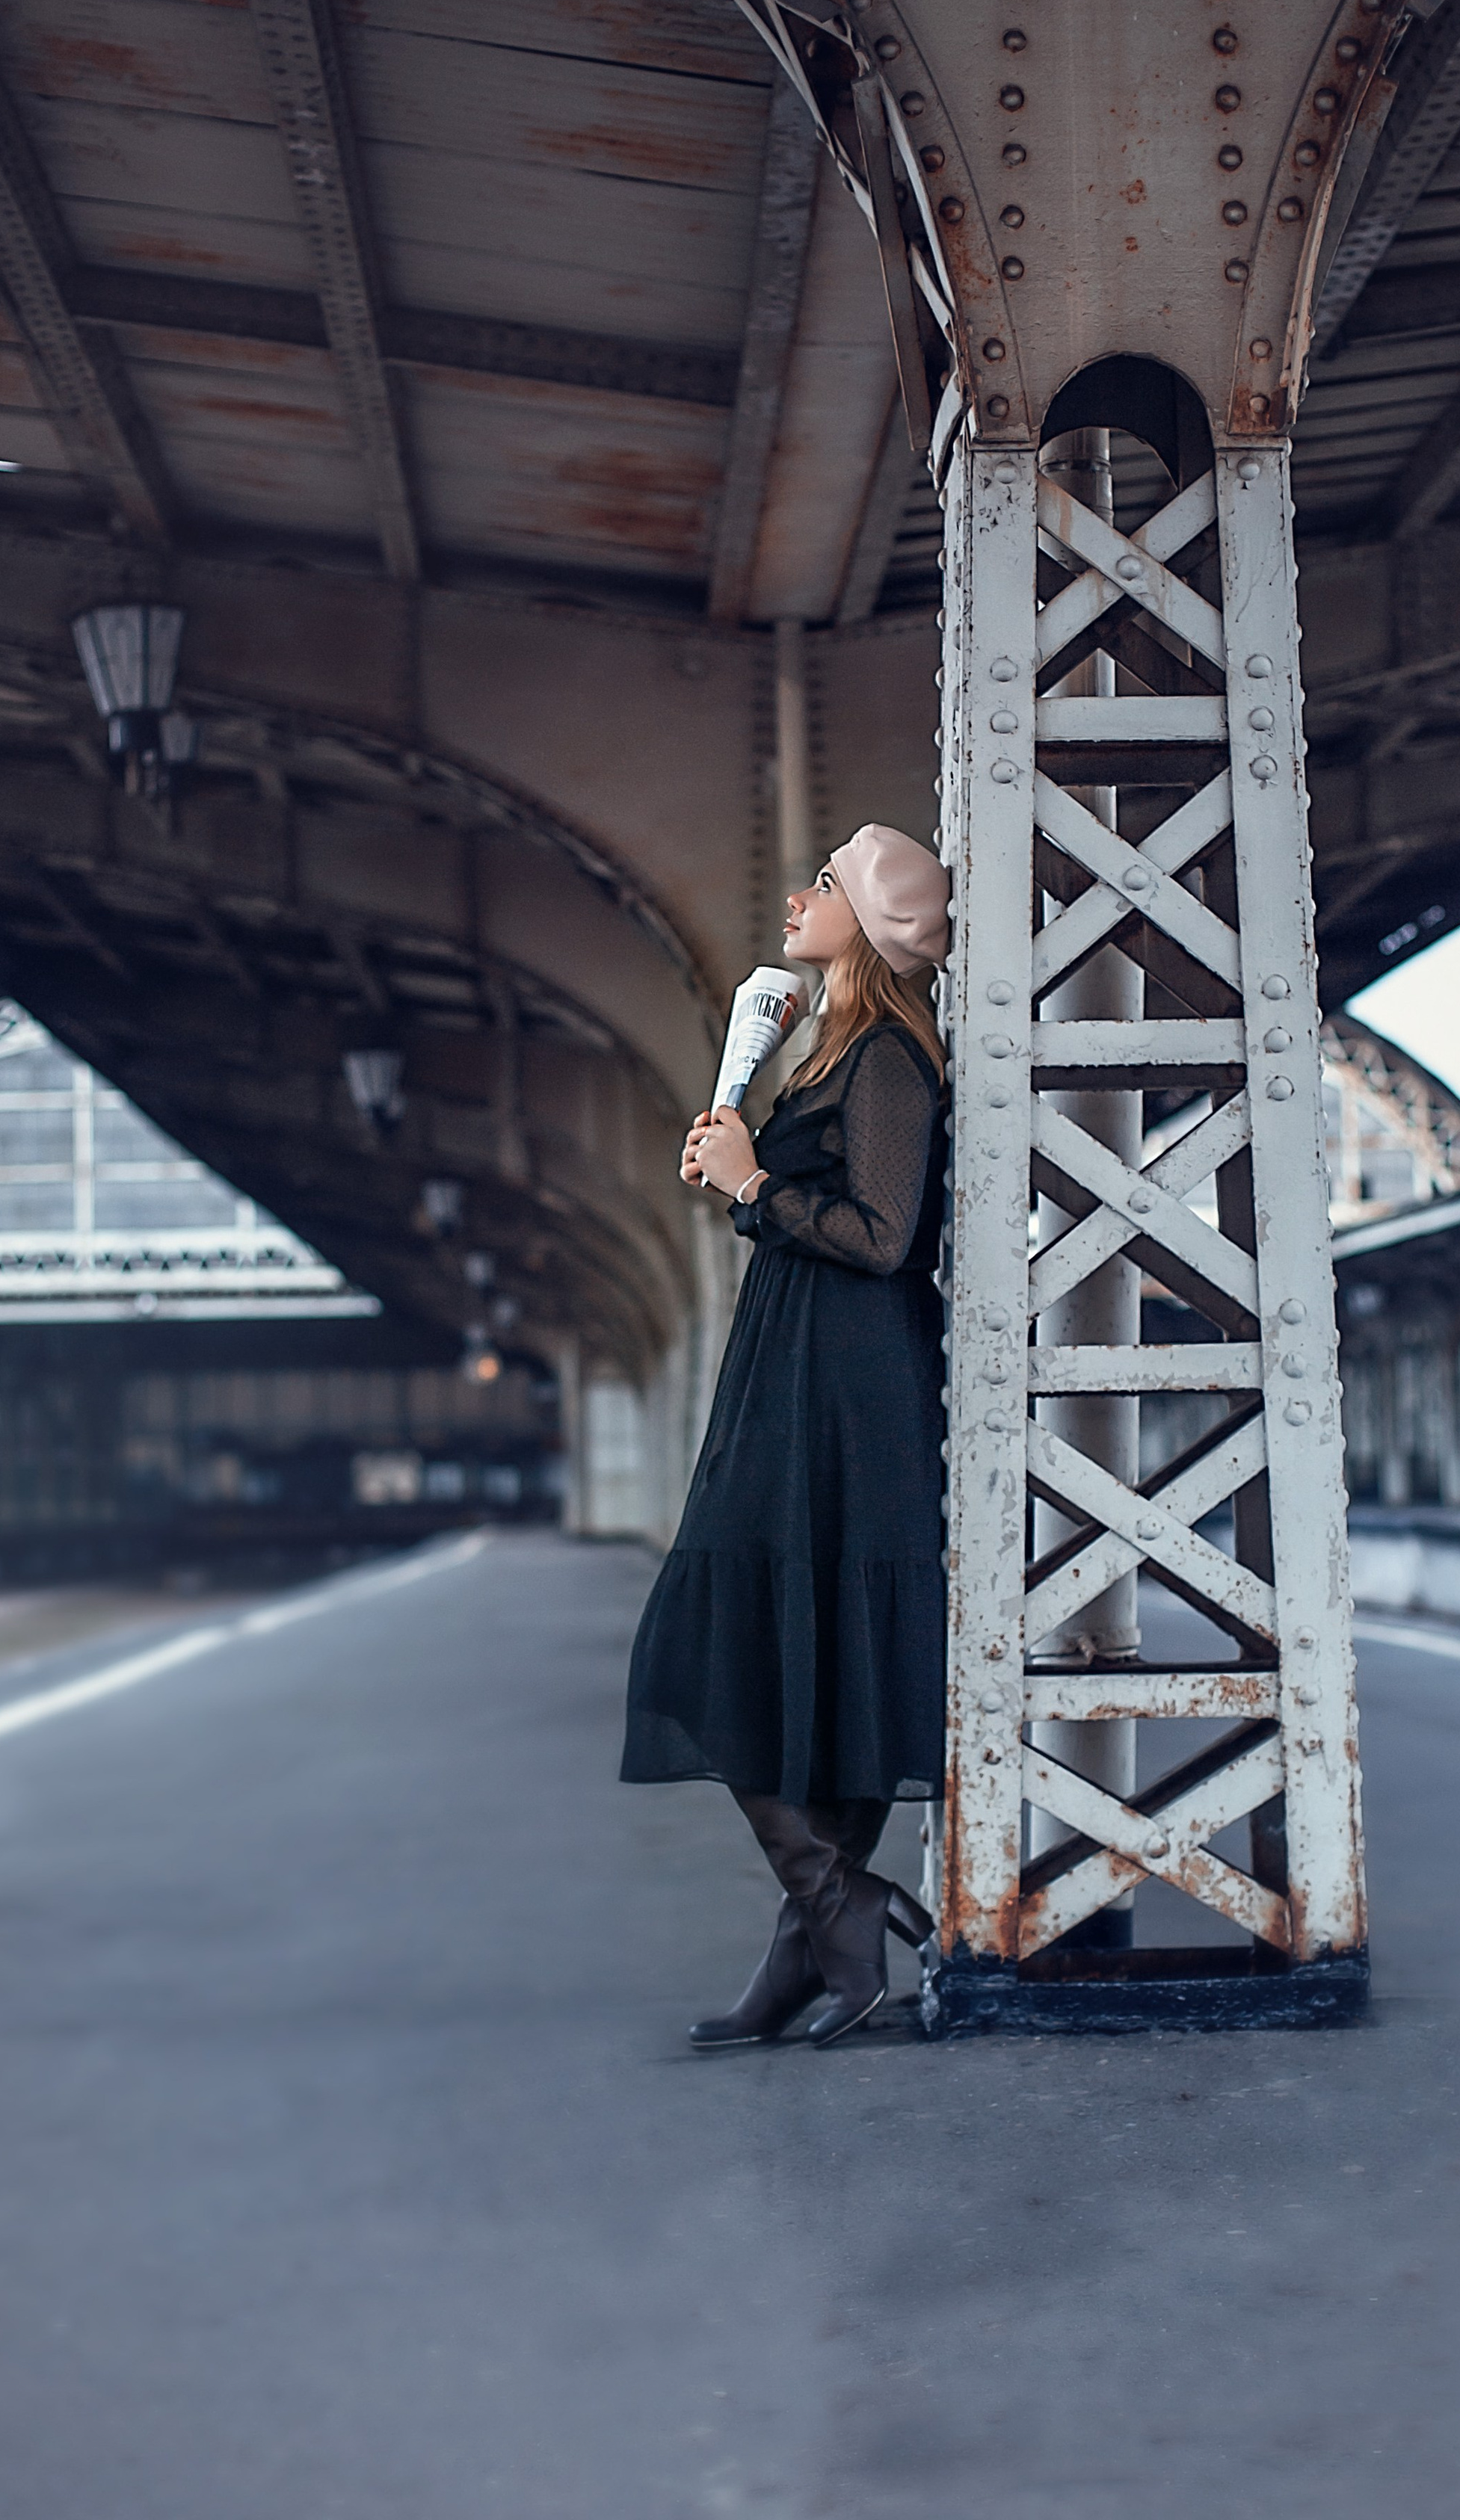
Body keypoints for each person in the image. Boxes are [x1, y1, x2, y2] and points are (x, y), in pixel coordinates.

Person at [621, 824, 951, 2048]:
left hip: (849, 1386)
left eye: (827, 883)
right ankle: (822, 1935)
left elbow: (885, 1236)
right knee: (781, 1638)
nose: (801, 897)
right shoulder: (824, 1054)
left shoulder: (889, 1059)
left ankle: (835, 1904)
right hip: (793, 1368)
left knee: (721, 1633)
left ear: (869, 918)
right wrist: (744, 1167)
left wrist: (756, 1184)